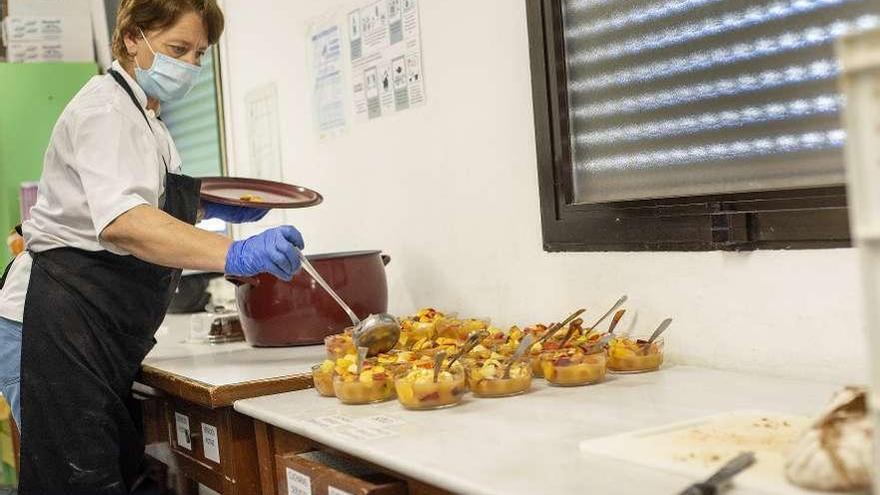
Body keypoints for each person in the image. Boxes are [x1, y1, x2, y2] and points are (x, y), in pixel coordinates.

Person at [0, 1, 304, 493]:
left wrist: (207, 205)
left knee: (111, 470)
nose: (189, 66)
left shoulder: (146, 118)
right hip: (51, 323)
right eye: (176, 49)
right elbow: (125, 222)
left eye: (199, 54)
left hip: (95, 325)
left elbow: (145, 198)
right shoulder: (105, 110)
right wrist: (232, 252)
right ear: (132, 39)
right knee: (77, 480)